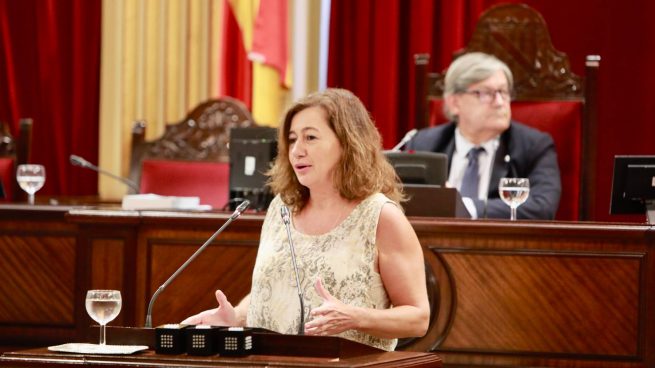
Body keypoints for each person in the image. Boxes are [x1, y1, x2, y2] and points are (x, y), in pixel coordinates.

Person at [183, 88, 430, 351]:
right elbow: (274, 290)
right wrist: (236, 317)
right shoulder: (281, 208)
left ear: (348, 143)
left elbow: (417, 317)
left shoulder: (380, 216)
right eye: (291, 139)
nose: (297, 150)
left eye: (310, 137)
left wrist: (355, 318)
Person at [406, 52, 561, 219]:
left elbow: (542, 207)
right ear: (454, 103)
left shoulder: (533, 146)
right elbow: (401, 201)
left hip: (499, 243)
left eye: (503, 92)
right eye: (486, 93)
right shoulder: (423, 145)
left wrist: (465, 207)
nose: (500, 102)